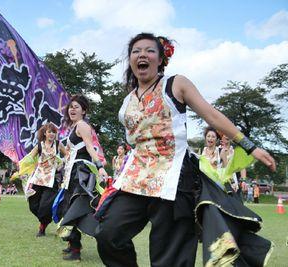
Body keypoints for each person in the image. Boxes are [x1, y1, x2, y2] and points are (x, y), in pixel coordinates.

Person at [94, 33, 275, 267]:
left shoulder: (175, 84)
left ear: (160, 59)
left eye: (150, 50)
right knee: (109, 234)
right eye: (136, 51)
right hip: (135, 180)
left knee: (170, 255)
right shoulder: (127, 102)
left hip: (175, 179)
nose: (142, 55)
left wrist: (249, 146)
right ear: (130, 60)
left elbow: (211, 115)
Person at [56, 95, 107, 262]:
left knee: (76, 208)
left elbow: (90, 148)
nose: (72, 109)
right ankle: (73, 245)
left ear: (84, 111)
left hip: (81, 173)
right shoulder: (74, 127)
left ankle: (78, 248)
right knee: (67, 208)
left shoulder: (83, 125)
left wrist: (99, 167)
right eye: (71, 107)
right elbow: (71, 153)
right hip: (72, 172)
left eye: (77, 107)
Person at [18, 123, 67, 237]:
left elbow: (68, 156)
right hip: (37, 179)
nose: (52, 134)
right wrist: (21, 168)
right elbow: (29, 158)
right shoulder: (39, 145)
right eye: (49, 132)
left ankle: (42, 227)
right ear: (45, 133)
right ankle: (45, 219)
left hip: (51, 180)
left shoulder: (58, 145)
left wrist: (62, 164)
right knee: (33, 206)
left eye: (54, 132)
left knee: (45, 206)